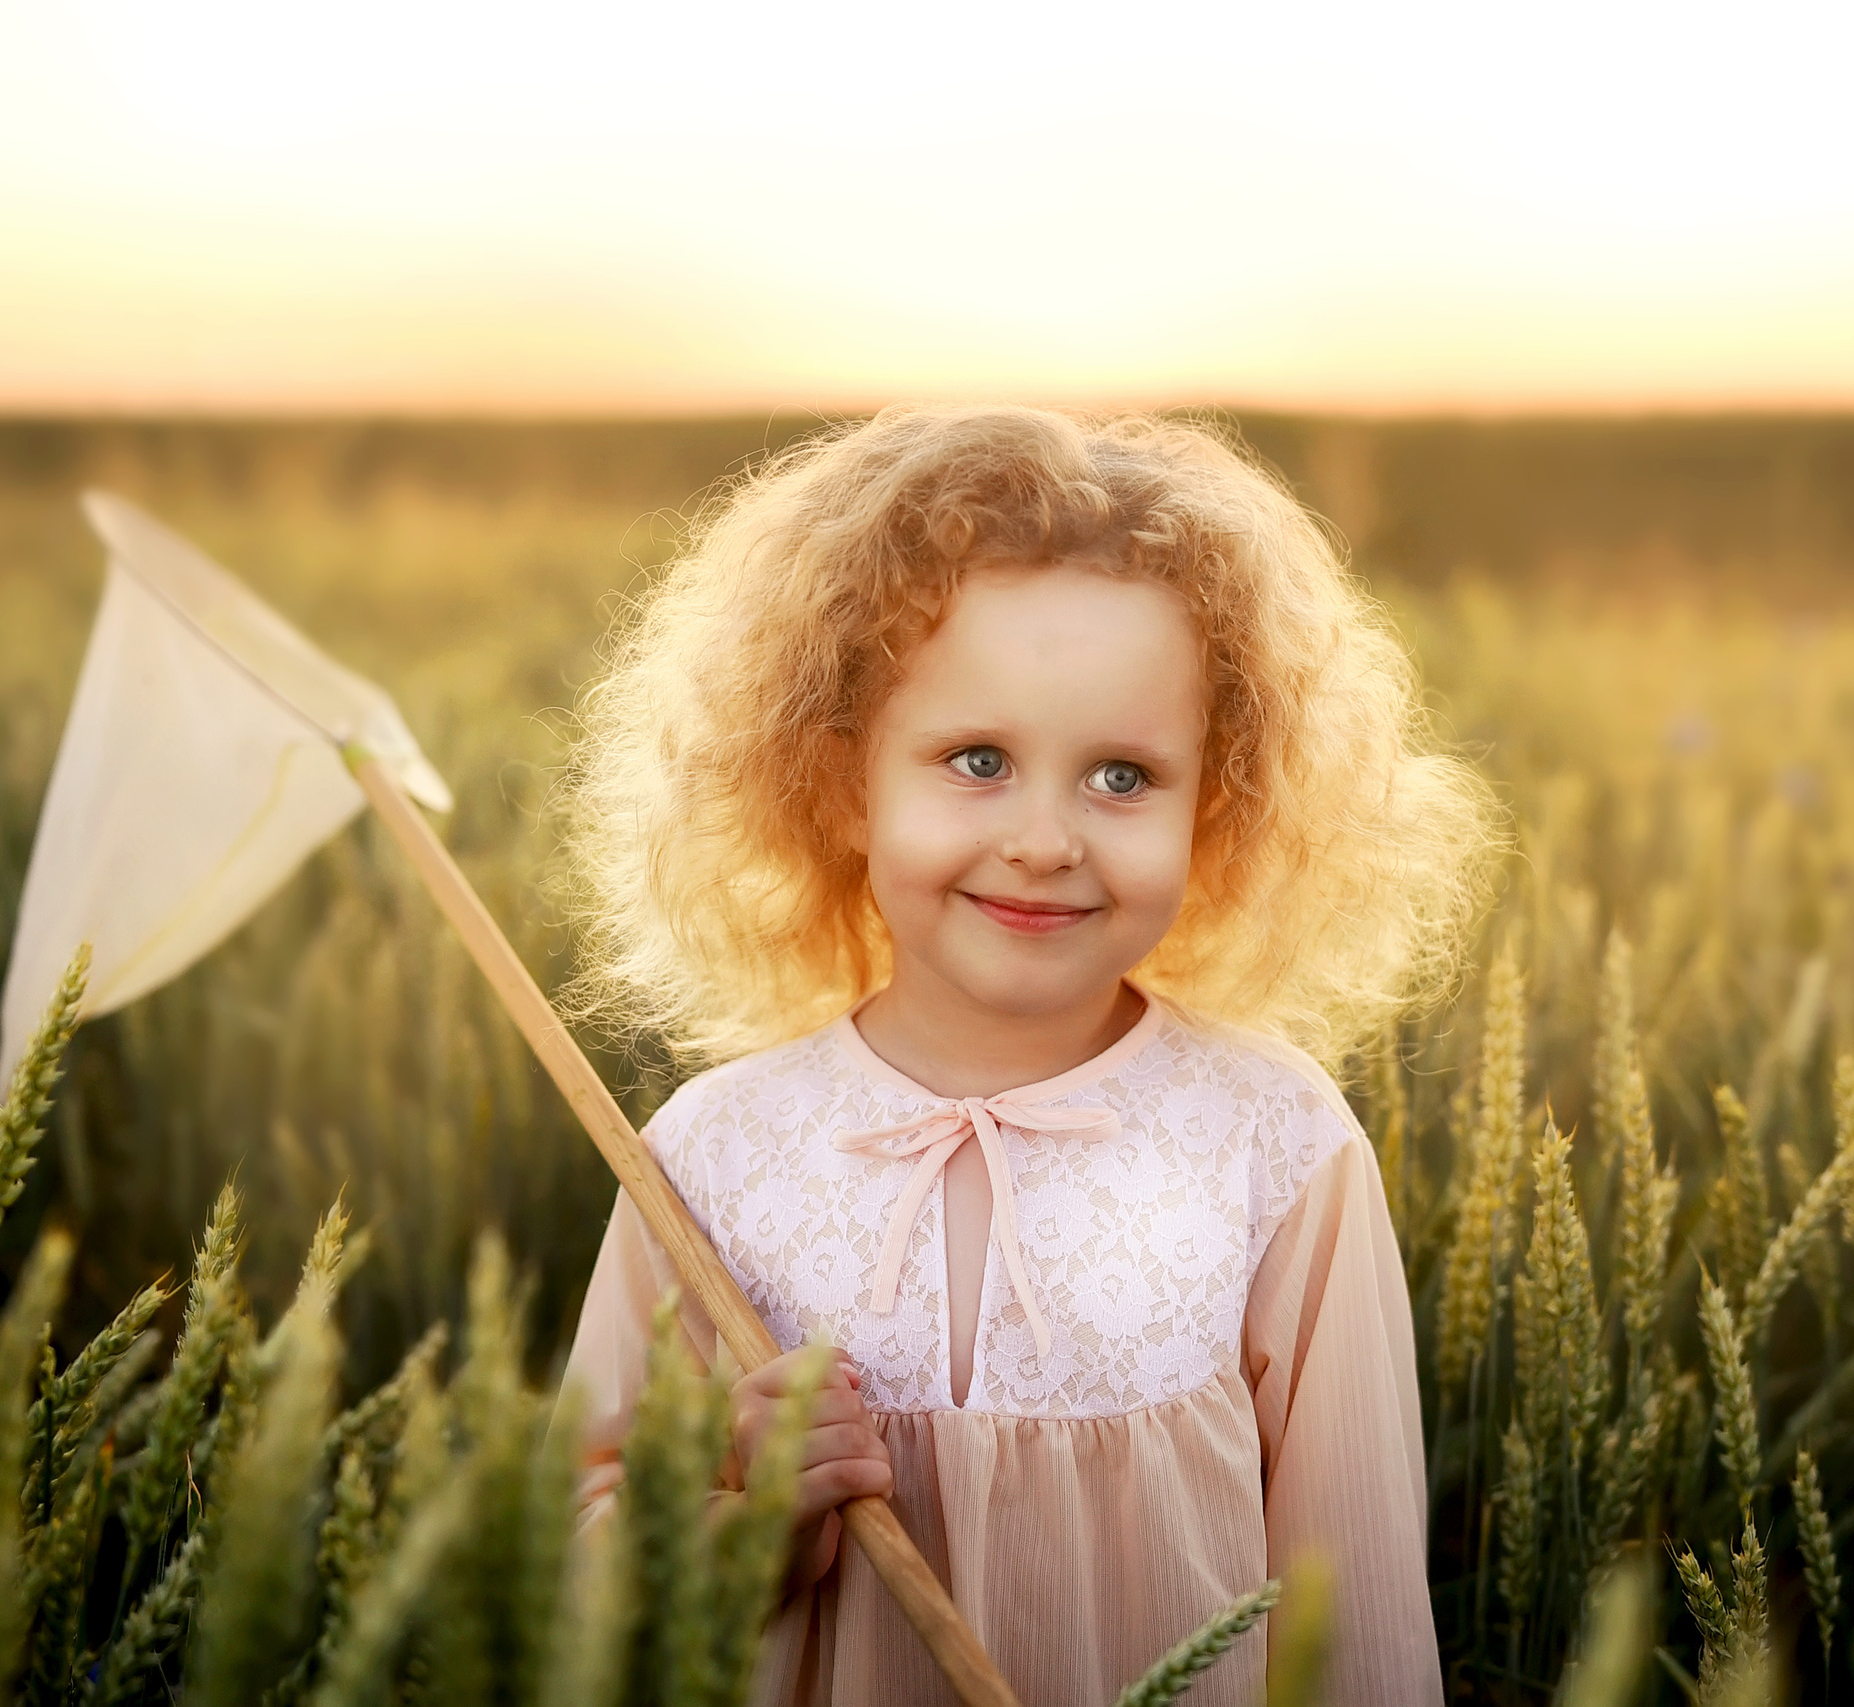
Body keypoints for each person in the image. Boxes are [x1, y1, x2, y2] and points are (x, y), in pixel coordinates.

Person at [558, 405, 1493, 1705]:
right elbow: (559, 1592)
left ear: (1214, 804)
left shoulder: (1272, 1147)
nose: (1047, 838)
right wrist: (737, 1528)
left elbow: (1360, 1619)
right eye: (978, 761)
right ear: (842, 784)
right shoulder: (711, 1159)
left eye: (1122, 778)